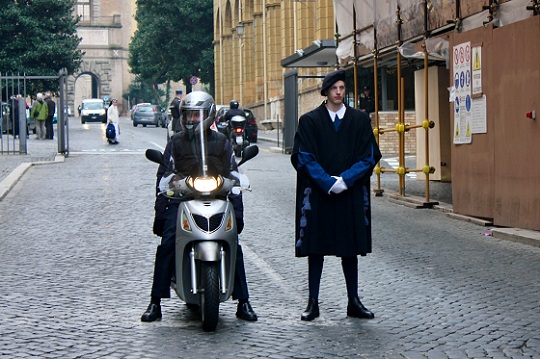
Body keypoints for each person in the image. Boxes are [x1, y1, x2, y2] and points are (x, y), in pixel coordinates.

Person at [141, 91, 257, 323]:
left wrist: (238, 212)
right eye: (189, 115)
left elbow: (233, 176)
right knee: (167, 243)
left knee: (233, 242)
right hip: (181, 199)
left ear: (209, 115)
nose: (193, 119)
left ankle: (243, 301)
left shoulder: (222, 142)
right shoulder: (175, 142)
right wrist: (160, 215)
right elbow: (163, 177)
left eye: (197, 114)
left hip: (216, 198)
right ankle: (155, 302)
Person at [291, 70, 382, 321]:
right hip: (320, 194)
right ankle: (313, 302)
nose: (339, 92)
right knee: (316, 248)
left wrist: (346, 180)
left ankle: (353, 300)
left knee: (349, 249)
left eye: (342, 88)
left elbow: (369, 155)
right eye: (334, 88)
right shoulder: (309, 121)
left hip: (348, 193)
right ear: (326, 92)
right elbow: (303, 156)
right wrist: (326, 182)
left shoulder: (359, 121)